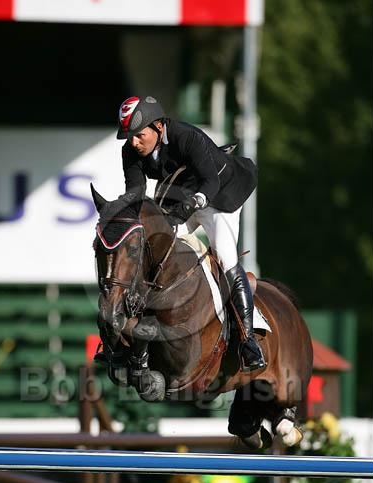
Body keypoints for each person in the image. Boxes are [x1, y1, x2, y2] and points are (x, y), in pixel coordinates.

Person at [104, 94, 266, 372]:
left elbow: (210, 182)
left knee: (225, 258)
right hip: (182, 196)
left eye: (139, 135)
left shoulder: (186, 136)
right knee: (155, 252)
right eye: (129, 137)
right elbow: (136, 194)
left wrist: (193, 203)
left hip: (220, 196)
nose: (134, 142)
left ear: (158, 126)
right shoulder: (130, 151)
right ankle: (129, 341)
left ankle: (248, 340)